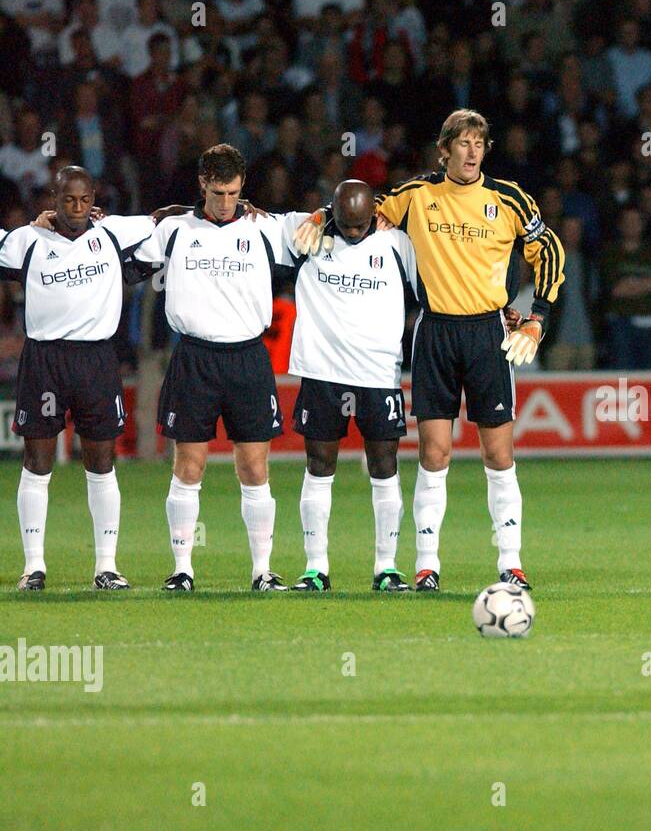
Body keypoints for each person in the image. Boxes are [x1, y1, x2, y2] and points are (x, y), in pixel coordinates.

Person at [293, 109, 565, 592]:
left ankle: (511, 562)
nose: (472, 152)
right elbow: (360, 208)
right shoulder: (417, 195)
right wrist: (320, 216)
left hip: (487, 333)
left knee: (498, 454)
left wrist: (537, 319)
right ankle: (426, 564)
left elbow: (550, 251)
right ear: (445, 151)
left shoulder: (509, 200)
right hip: (435, 331)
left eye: (479, 143)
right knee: (434, 454)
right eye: (462, 144)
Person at [132, 143, 293, 592]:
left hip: (248, 357)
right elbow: (117, 250)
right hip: (194, 357)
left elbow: (329, 225)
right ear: (202, 185)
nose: (226, 203)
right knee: (189, 465)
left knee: (255, 468)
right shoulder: (172, 230)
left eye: (234, 193)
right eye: (218, 193)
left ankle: (263, 570)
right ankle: (182, 569)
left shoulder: (267, 228)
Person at [3, 166, 151, 590]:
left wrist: (227, 208)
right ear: (54, 198)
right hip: (45, 358)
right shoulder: (27, 242)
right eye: (69, 200)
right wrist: (28, 224)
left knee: (102, 462)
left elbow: (165, 218)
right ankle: (33, 567)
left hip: (96, 359)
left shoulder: (112, 233)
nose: (77, 208)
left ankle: (106, 566)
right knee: (37, 462)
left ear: (94, 200)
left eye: (85, 200)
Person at [280, 180, 418, 593]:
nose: (353, 233)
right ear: (333, 213)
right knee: (319, 467)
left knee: (385, 467)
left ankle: (387, 567)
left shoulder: (399, 244)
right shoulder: (309, 233)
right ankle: (315, 568)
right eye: (345, 224)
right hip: (323, 372)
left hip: (378, 374)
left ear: (375, 213)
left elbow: (432, 289)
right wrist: (320, 214)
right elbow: (246, 221)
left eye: (361, 226)